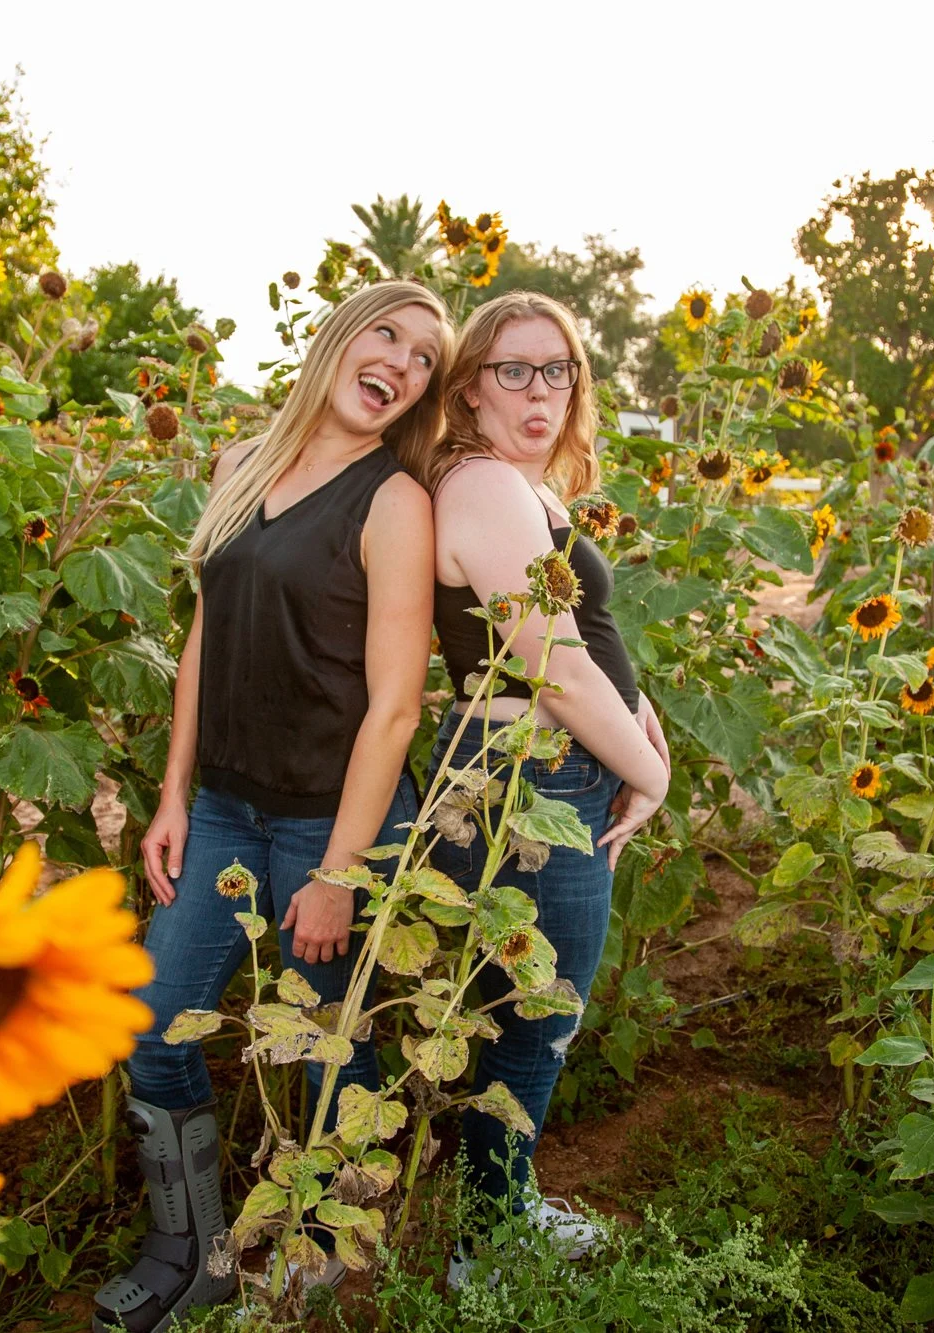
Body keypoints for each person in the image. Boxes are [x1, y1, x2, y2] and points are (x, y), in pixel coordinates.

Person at [93, 282, 452, 1333]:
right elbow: (205, 639)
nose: (401, 365)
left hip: (328, 822)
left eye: (425, 361)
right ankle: (192, 1253)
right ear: (340, 336)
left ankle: (322, 1264)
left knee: (326, 1046)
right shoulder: (240, 465)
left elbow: (394, 708)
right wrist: (172, 794)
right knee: (154, 1024)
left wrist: (340, 871)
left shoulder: (395, 502)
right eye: (387, 334)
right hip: (223, 810)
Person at [401, 291, 670, 1285]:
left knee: (527, 1010)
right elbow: (548, 666)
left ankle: (500, 1209)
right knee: (536, 1017)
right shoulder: (482, 486)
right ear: (469, 388)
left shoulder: (521, 487)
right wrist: (649, 772)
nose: (540, 391)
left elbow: (581, 638)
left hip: (555, 766)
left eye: (557, 370)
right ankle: (486, 1245)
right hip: (530, 775)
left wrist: (641, 719)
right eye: (512, 370)